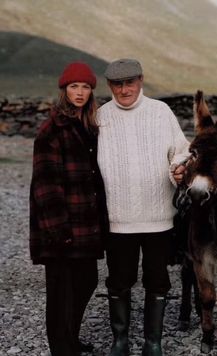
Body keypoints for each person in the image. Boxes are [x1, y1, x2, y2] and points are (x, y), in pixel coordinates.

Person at [97, 58, 189, 356]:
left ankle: (153, 342)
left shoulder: (160, 112)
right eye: (117, 84)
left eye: (130, 82)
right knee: (118, 280)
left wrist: (178, 168)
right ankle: (120, 340)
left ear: (141, 81)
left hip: (158, 217)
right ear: (110, 85)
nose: (124, 90)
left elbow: (181, 151)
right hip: (117, 219)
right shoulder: (101, 117)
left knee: (157, 279)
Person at [29, 62, 108, 356]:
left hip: (85, 226)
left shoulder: (87, 127)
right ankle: (62, 349)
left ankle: (71, 339)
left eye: (86, 87)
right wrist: (58, 230)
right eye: (74, 86)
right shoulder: (52, 129)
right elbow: (45, 186)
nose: (80, 92)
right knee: (61, 292)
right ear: (64, 90)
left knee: (86, 281)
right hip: (60, 228)